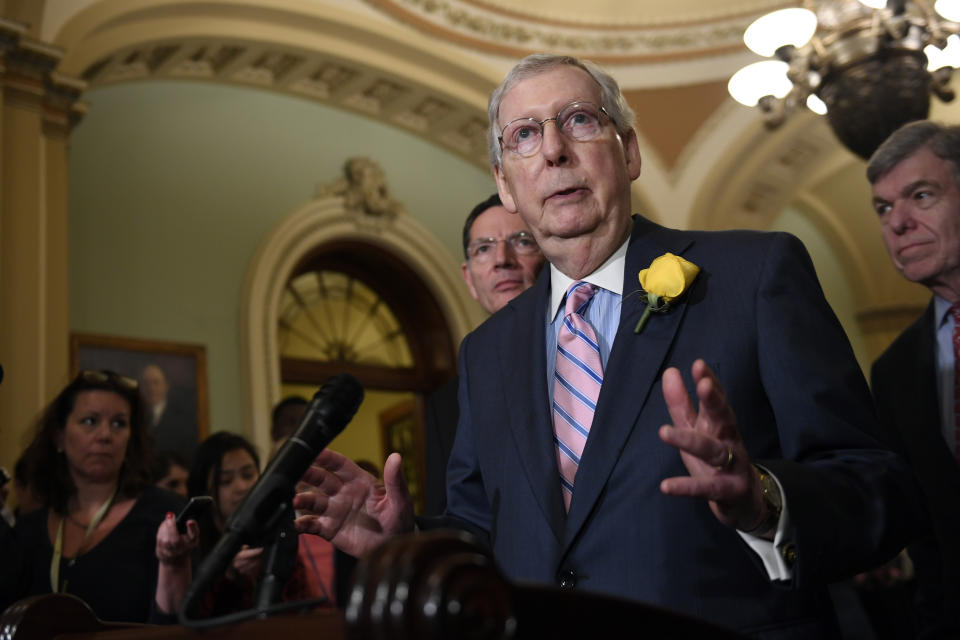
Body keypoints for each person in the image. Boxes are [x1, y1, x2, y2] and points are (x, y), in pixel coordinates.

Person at [292, 54, 919, 638]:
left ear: (630, 152)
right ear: (506, 185)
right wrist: (405, 539)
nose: (555, 152)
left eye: (579, 121)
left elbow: (878, 487)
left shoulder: (754, 275)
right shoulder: (487, 351)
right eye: (524, 136)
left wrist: (762, 500)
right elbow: (483, 533)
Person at [866, 120, 960, 638]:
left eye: (920, 195)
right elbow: (928, 540)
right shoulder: (896, 372)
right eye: (883, 208)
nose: (897, 222)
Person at [0, 369, 185, 623]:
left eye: (119, 423)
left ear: (131, 439)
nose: (105, 435)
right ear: (60, 437)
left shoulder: (164, 514)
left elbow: (178, 625)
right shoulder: (27, 530)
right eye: (90, 421)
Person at [423, 193, 545, 516]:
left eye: (522, 241)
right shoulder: (444, 406)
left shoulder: (589, 351)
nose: (502, 259)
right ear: (469, 279)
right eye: (484, 248)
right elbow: (455, 520)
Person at [154, 431, 324, 617]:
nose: (242, 487)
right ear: (205, 488)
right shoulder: (189, 546)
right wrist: (230, 577)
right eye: (226, 481)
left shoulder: (278, 537)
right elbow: (190, 619)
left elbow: (301, 611)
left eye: (248, 474)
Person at [140, 363, 197, 464]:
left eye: (156, 383)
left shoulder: (182, 419)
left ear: (166, 386)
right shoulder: (136, 417)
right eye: (146, 383)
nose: (151, 389)